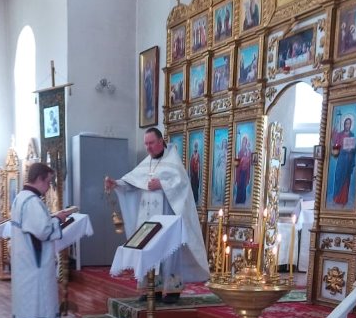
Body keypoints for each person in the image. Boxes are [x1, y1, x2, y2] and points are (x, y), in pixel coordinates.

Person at [104, 127, 209, 303]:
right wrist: (117, 183)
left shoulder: (172, 161)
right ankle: (152, 289)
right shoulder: (147, 163)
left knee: (169, 251)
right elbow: (133, 181)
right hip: (148, 219)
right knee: (149, 249)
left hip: (167, 218)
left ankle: (172, 290)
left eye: (151, 143)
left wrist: (162, 185)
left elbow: (182, 184)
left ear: (161, 141)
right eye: (146, 144)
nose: (148, 147)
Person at [10, 162, 73, 318]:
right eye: (48, 181)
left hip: (25, 262)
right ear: (39, 179)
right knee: (38, 300)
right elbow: (43, 231)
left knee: (28, 301)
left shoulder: (21, 197)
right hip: (35, 264)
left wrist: (51, 217)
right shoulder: (32, 202)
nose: (49, 186)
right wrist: (58, 220)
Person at [331, 117, 356, 206]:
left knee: (346, 180)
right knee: (338, 177)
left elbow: (354, 149)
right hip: (341, 160)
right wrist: (337, 148)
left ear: (350, 125)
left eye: (349, 123)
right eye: (346, 123)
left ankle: (344, 200)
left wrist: (351, 150)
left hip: (348, 161)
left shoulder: (352, 135)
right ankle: (336, 198)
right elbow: (336, 148)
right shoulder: (340, 135)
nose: (347, 125)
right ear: (344, 124)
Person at [234, 134, 252, 205]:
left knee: (244, 185)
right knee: (239, 185)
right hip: (240, 171)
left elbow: (250, 160)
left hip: (246, 171)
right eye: (243, 142)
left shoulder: (248, 151)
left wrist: (247, 158)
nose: (244, 143)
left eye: (245, 142)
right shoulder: (240, 151)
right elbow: (236, 163)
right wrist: (240, 161)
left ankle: (243, 199)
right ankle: (238, 199)